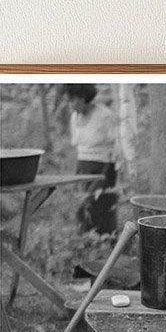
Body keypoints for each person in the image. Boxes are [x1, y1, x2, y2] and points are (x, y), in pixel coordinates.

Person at [62, 83, 118, 238]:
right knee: (82, 208)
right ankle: (86, 243)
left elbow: (115, 147)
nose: (70, 104)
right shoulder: (74, 117)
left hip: (103, 168)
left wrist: (105, 175)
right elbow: (78, 146)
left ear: (82, 98)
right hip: (83, 167)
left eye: (72, 100)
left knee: (98, 207)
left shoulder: (104, 115)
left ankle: (107, 243)